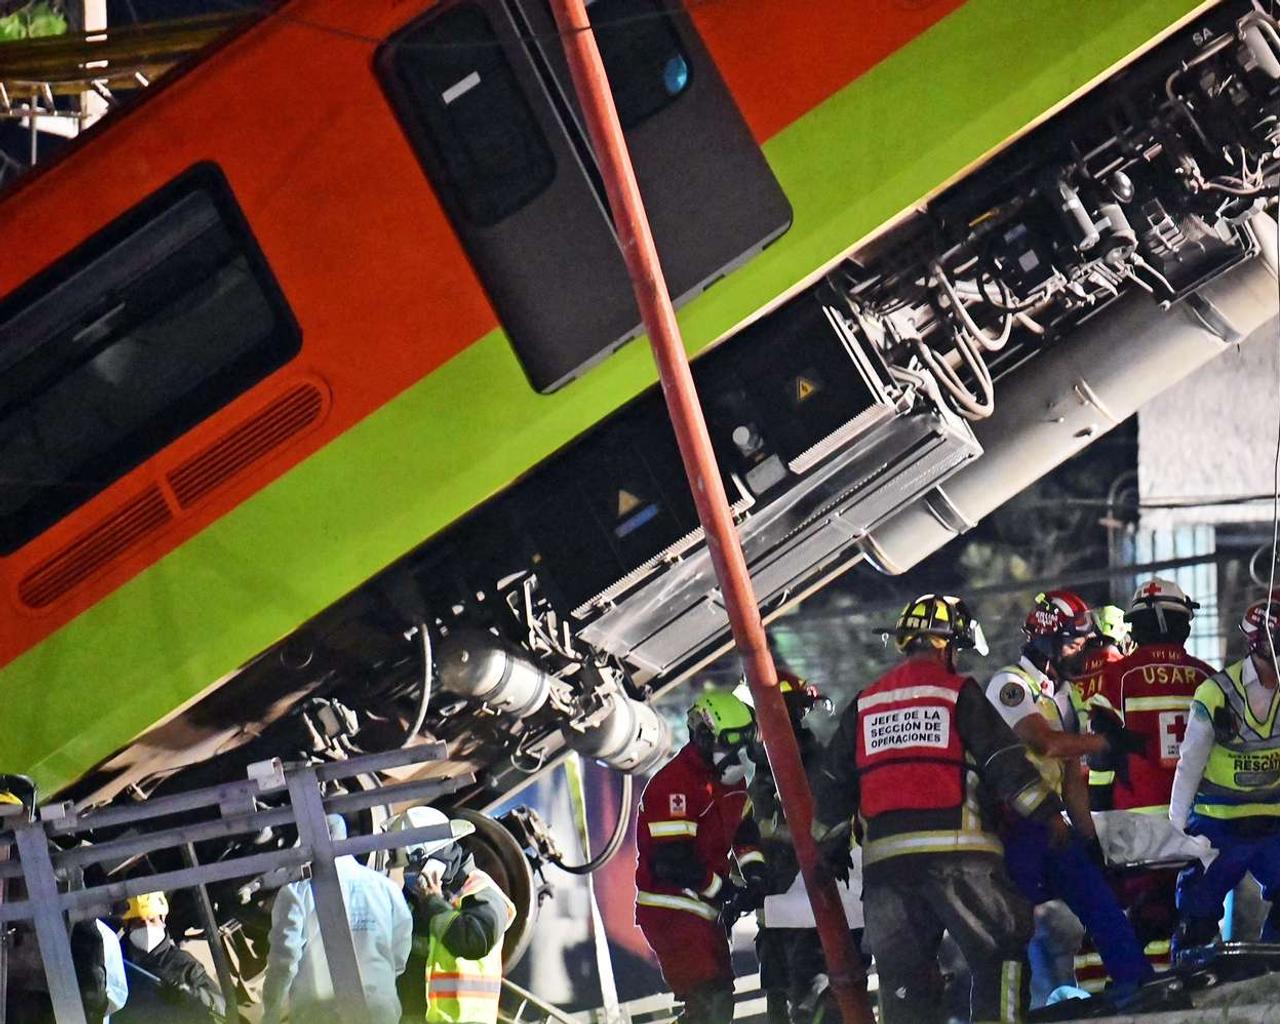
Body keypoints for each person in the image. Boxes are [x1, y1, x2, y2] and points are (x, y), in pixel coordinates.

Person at [812, 593, 1067, 1024]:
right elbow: (1003, 764)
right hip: (959, 858)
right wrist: (1049, 814)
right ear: (947, 645)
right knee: (1001, 948)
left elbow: (834, 784)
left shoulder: (866, 702)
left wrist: (830, 845)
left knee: (904, 985)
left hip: (886, 872)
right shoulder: (958, 693)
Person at [987, 590, 1152, 1006]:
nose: (1083, 654)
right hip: (1013, 826)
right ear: (1047, 643)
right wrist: (1104, 743)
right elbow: (1044, 744)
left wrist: (1090, 837)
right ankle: (1007, 1009)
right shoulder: (1010, 685)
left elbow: (1072, 777)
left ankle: (1139, 984)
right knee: (1014, 926)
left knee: (1100, 899)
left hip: (1054, 825)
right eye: (1075, 644)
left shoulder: (1062, 695)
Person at [635, 690, 768, 1024]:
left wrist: (755, 877)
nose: (740, 756)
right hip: (671, 908)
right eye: (733, 745)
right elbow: (672, 862)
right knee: (710, 1001)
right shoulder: (675, 784)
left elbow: (744, 833)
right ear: (707, 739)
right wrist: (724, 891)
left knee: (715, 1001)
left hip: (701, 911)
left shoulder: (729, 786)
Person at [1170, 594, 1280, 959]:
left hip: (1273, 823)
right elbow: (1190, 762)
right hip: (1219, 826)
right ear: (1262, 642)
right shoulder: (1217, 693)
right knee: (1197, 912)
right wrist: (1176, 829)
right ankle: (1190, 974)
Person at [750, 672, 864, 1024]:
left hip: (819, 908)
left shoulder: (816, 768)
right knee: (784, 999)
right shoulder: (762, 773)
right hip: (779, 911)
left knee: (815, 997)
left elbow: (832, 824)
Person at [261, 813, 412, 1024]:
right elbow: (399, 955)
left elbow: (284, 960)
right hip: (379, 1011)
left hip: (321, 1014)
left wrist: (271, 1012)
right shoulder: (387, 889)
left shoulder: (297, 892)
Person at [382, 805, 515, 1024]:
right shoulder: (419, 900)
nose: (409, 875)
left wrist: (433, 903)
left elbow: (473, 939)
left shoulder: (480, 891)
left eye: (413, 867)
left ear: (433, 858)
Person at [119, 891, 225, 1019]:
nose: (147, 927)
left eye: (152, 920)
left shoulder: (184, 964)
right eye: (140, 922)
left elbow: (221, 1006)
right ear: (127, 926)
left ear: (163, 920)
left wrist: (192, 995)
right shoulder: (117, 961)